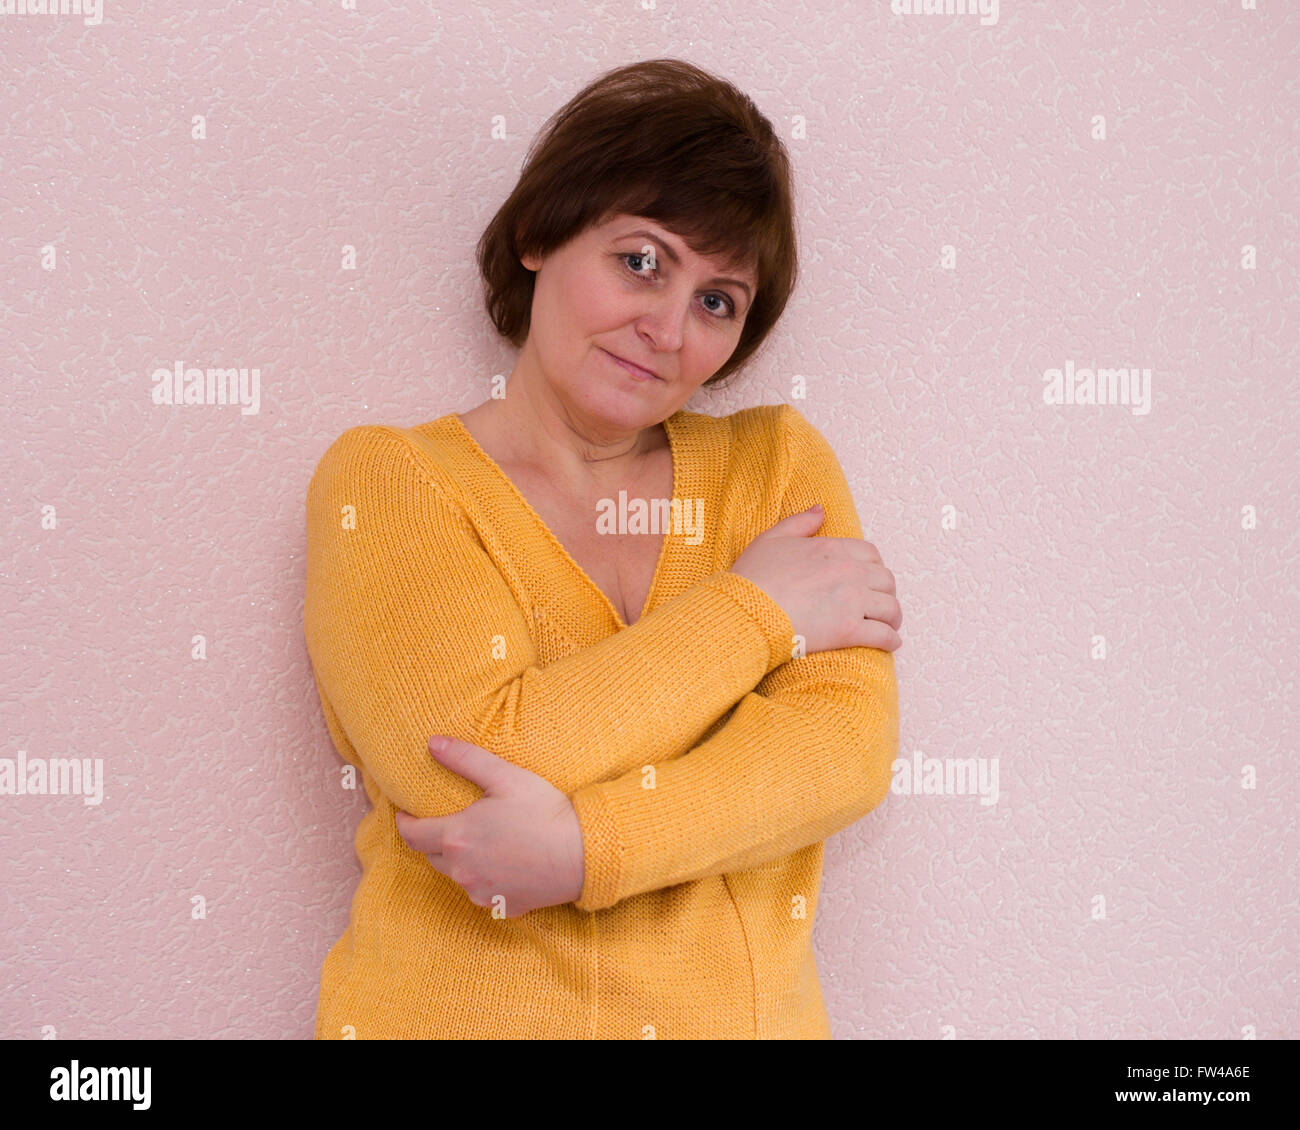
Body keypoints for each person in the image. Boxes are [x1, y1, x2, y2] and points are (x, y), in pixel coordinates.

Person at [303, 57, 902, 1039]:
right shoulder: (391, 482)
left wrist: (585, 846)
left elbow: (839, 753)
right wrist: (756, 614)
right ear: (540, 233)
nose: (666, 328)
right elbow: (467, 765)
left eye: (718, 300)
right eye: (641, 260)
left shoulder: (774, 468)